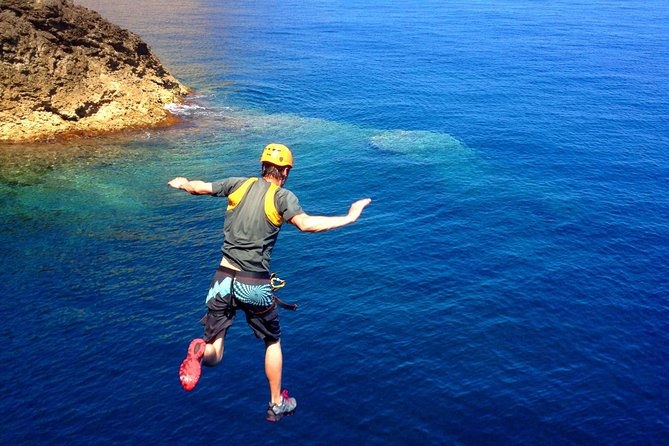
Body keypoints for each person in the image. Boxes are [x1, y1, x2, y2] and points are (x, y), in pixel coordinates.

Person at [167, 143, 371, 421]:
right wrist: (349, 217)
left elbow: (200, 187)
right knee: (272, 341)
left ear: (262, 166)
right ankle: (276, 403)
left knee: (215, 348)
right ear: (285, 171)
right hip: (253, 283)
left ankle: (201, 351)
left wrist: (182, 183)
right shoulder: (282, 197)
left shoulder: (238, 184)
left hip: (222, 279)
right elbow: (307, 224)